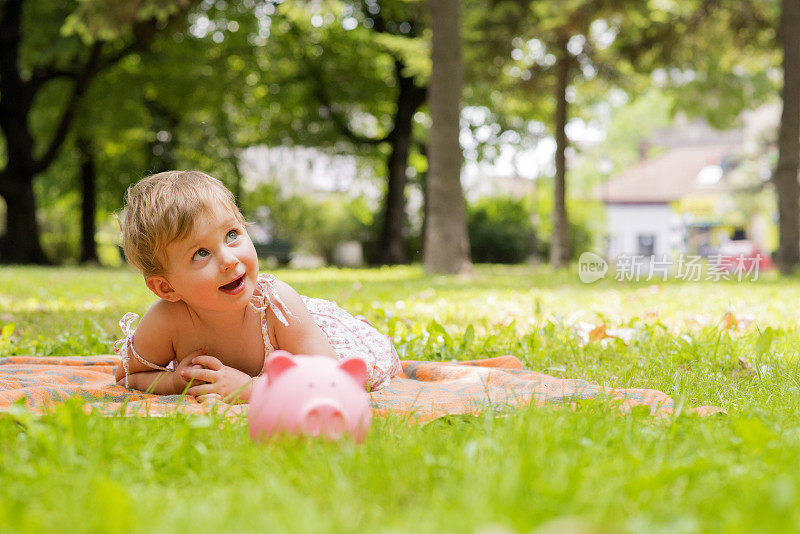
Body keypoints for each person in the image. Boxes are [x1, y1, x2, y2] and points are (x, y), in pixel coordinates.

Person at [113, 170, 402, 403]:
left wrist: (249, 388)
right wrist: (175, 381)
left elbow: (332, 378)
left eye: (232, 234)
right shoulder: (167, 320)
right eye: (201, 253)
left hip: (314, 345)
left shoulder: (277, 304)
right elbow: (127, 377)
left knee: (358, 373)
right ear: (166, 288)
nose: (229, 260)